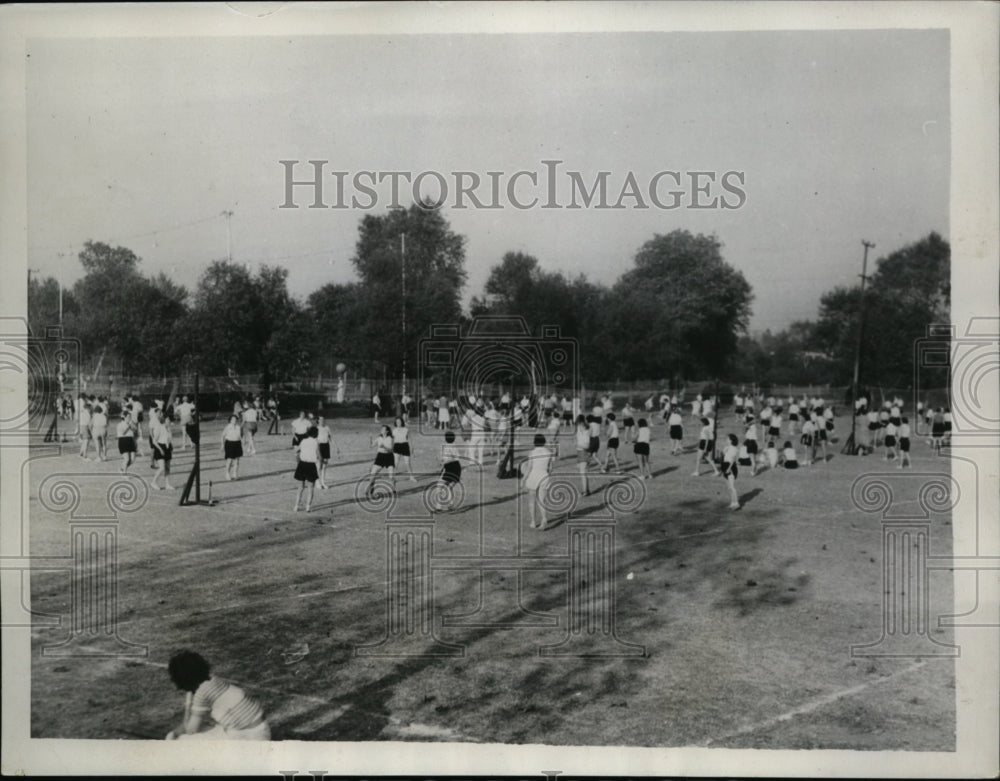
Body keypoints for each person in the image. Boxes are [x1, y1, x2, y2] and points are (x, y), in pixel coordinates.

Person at [165, 650, 270, 741]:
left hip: (249, 738)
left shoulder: (201, 694)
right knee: (211, 728)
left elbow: (191, 730)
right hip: (263, 729)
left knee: (181, 739)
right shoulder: (215, 680)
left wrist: (175, 732)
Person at [521, 433, 554, 530]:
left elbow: (529, 468)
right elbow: (551, 468)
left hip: (533, 476)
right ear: (544, 441)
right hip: (544, 476)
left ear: (534, 442)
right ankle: (544, 518)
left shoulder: (532, 453)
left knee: (532, 500)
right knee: (542, 500)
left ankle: (533, 522)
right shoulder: (549, 452)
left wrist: (523, 480)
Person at [293, 426, 320, 512]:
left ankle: (296, 506)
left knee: (300, 487)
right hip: (311, 465)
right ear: (315, 434)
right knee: (310, 487)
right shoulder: (316, 442)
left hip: (302, 465)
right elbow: (319, 455)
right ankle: (308, 507)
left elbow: (297, 450)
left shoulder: (303, 441)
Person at [367, 424, 396, 491]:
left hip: (389, 457)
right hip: (380, 457)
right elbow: (371, 446)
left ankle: (393, 489)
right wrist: (370, 438)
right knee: (373, 474)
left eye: (383, 429)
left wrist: (384, 447)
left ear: (387, 431)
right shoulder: (379, 438)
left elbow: (391, 449)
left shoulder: (390, 439)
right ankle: (372, 487)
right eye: (381, 429)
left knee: (391, 476)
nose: (381, 430)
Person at [151, 410, 174, 490]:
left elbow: (169, 439)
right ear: (164, 420)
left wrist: (170, 448)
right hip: (159, 447)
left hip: (167, 447)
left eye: (169, 420)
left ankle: (167, 484)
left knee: (167, 467)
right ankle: (153, 482)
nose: (169, 421)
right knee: (162, 468)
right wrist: (160, 449)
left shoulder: (169, 429)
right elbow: (154, 441)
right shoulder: (159, 427)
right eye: (168, 420)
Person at [391, 417, 416, 481]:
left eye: (399, 422)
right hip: (397, 446)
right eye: (397, 422)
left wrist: (412, 448)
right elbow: (392, 440)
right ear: (395, 423)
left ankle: (411, 477)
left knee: (407, 463)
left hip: (405, 446)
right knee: (396, 463)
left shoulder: (406, 430)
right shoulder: (394, 430)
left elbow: (410, 439)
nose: (398, 423)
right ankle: (393, 477)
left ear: (402, 422)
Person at [315, 416, 336, 490]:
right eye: (321, 419)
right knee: (319, 466)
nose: (323, 421)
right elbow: (315, 439)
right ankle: (318, 482)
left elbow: (331, 438)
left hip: (326, 446)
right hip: (319, 446)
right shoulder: (316, 429)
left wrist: (336, 447)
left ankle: (323, 482)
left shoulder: (327, 428)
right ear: (318, 421)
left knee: (324, 466)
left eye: (323, 419)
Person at [721, 433, 740, 510]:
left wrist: (729, 468)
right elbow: (725, 456)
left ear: (731, 440)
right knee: (729, 487)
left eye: (728, 439)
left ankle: (736, 503)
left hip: (730, 467)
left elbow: (732, 460)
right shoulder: (728, 448)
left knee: (732, 486)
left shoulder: (734, 449)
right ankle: (732, 503)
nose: (726, 440)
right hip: (725, 465)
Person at [221, 415, 243, 481]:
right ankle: (227, 474)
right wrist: (222, 445)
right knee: (229, 460)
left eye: (236, 419)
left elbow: (240, 436)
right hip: (229, 443)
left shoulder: (238, 427)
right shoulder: (228, 427)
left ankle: (235, 474)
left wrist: (242, 442)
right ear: (230, 420)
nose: (234, 420)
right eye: (233, 419)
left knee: (237, 460)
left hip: (237, 443)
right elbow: (222, 436)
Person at [574, 414, 591, 495]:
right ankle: (587, 490)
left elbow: (587, 446)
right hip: (579, 453)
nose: (578, 426)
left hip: (584, 453)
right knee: (583, 472)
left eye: (580, 424)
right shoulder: (579, 430)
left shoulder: (586, 433)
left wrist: (578, 445)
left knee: (582, 473)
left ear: (583, 424)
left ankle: (585, 491)